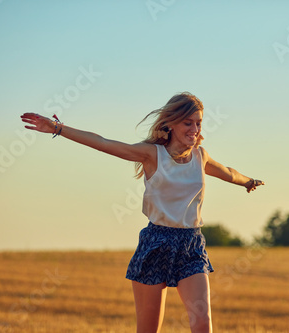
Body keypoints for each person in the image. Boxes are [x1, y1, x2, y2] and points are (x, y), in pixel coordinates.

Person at [20, 92, 264, 333]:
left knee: (202, 323)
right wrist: (57, 128)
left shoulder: (201, 156)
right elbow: (104, 143)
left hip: (191, 244)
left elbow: (228, 172)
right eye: (188, 123)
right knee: (148, 330)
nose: (195, 129)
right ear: (171, 124)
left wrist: (248, 181)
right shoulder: (152, 154)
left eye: (198, 123)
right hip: (156, 242)